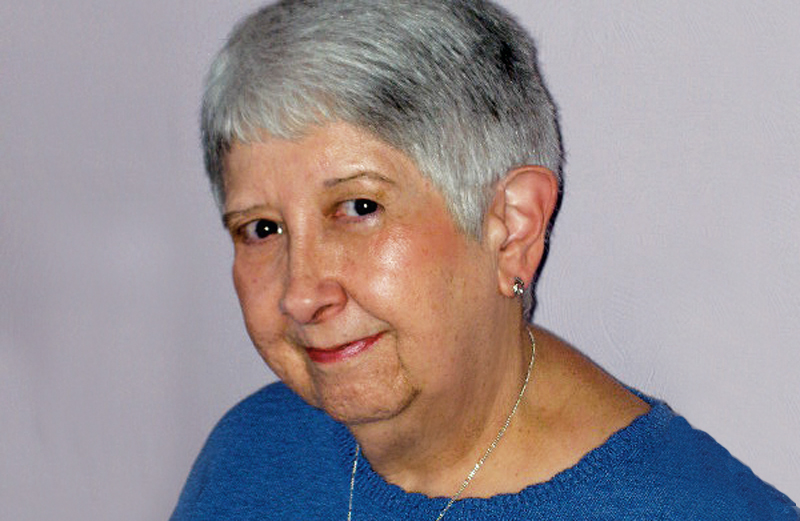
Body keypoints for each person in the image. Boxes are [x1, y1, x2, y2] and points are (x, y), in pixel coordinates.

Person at [171, 0, 797, 519]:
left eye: (360, 207)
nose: (301, 294)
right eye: (262, 228)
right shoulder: (248, 453)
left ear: (512, 228)